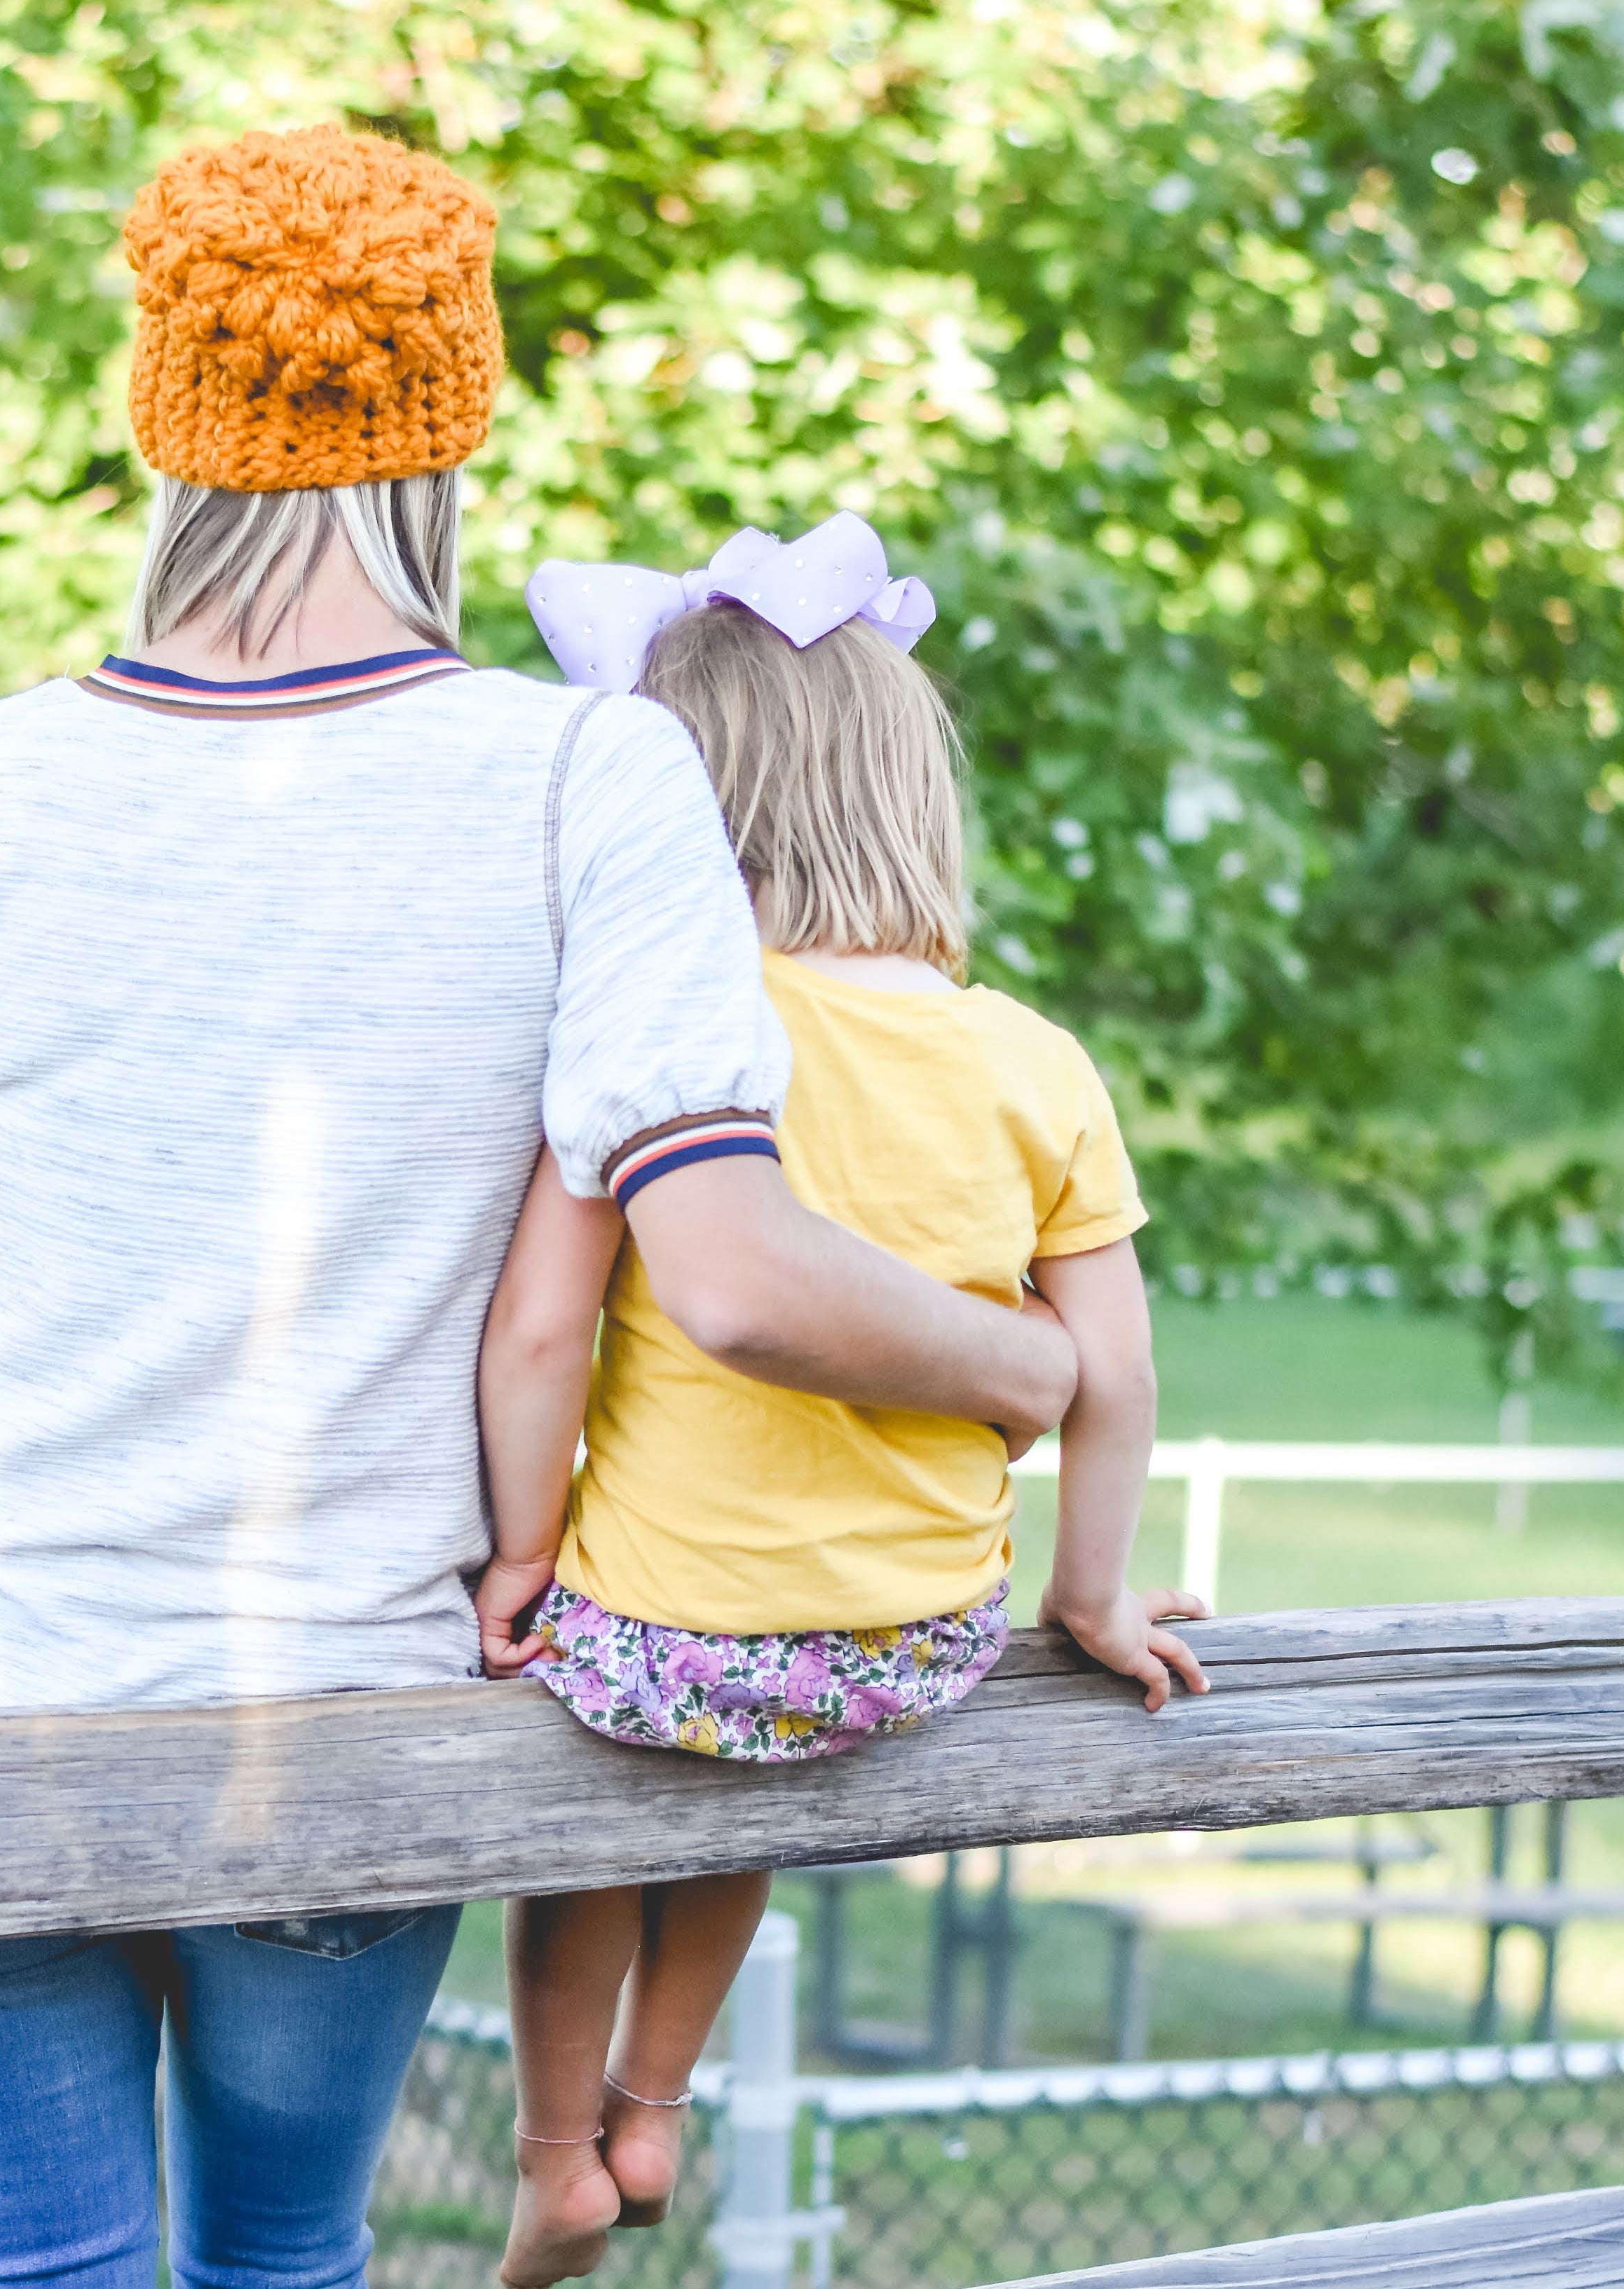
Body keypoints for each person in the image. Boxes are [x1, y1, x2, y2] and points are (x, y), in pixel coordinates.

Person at [0, 128, 1077, 2289]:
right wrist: (1035, 1364)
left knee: (34, 2272)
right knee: (286, 2258)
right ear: (450, 417)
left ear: (162, 414)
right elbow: (738, 1280)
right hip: (339, 1712)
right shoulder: (581, 777)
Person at [477, 518, 1210, 2288]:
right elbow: (1111, 1372)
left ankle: (555, 2151)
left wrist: (522, 1556)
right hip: (904, 1653)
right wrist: (1089, 1600)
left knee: (610, 1797)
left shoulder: (666, 1030)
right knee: (750, 1791)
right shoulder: (1037, 1063)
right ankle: (661, 2104)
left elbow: (534, 1337)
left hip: (664, 1636)